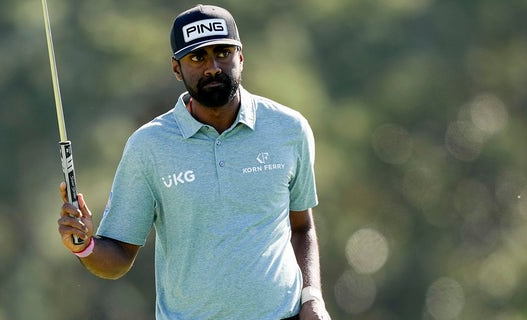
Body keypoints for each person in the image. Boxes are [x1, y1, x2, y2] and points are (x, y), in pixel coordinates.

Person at [57, 4, 331, 320]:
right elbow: (119, 255)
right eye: (197, 57)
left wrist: (312, 299)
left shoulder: (288, 129)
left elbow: (302, 227)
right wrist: (85, 245)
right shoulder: (149, 146)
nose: (213, 67)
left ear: (240, 57)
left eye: (223, 53)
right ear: (177, 69)